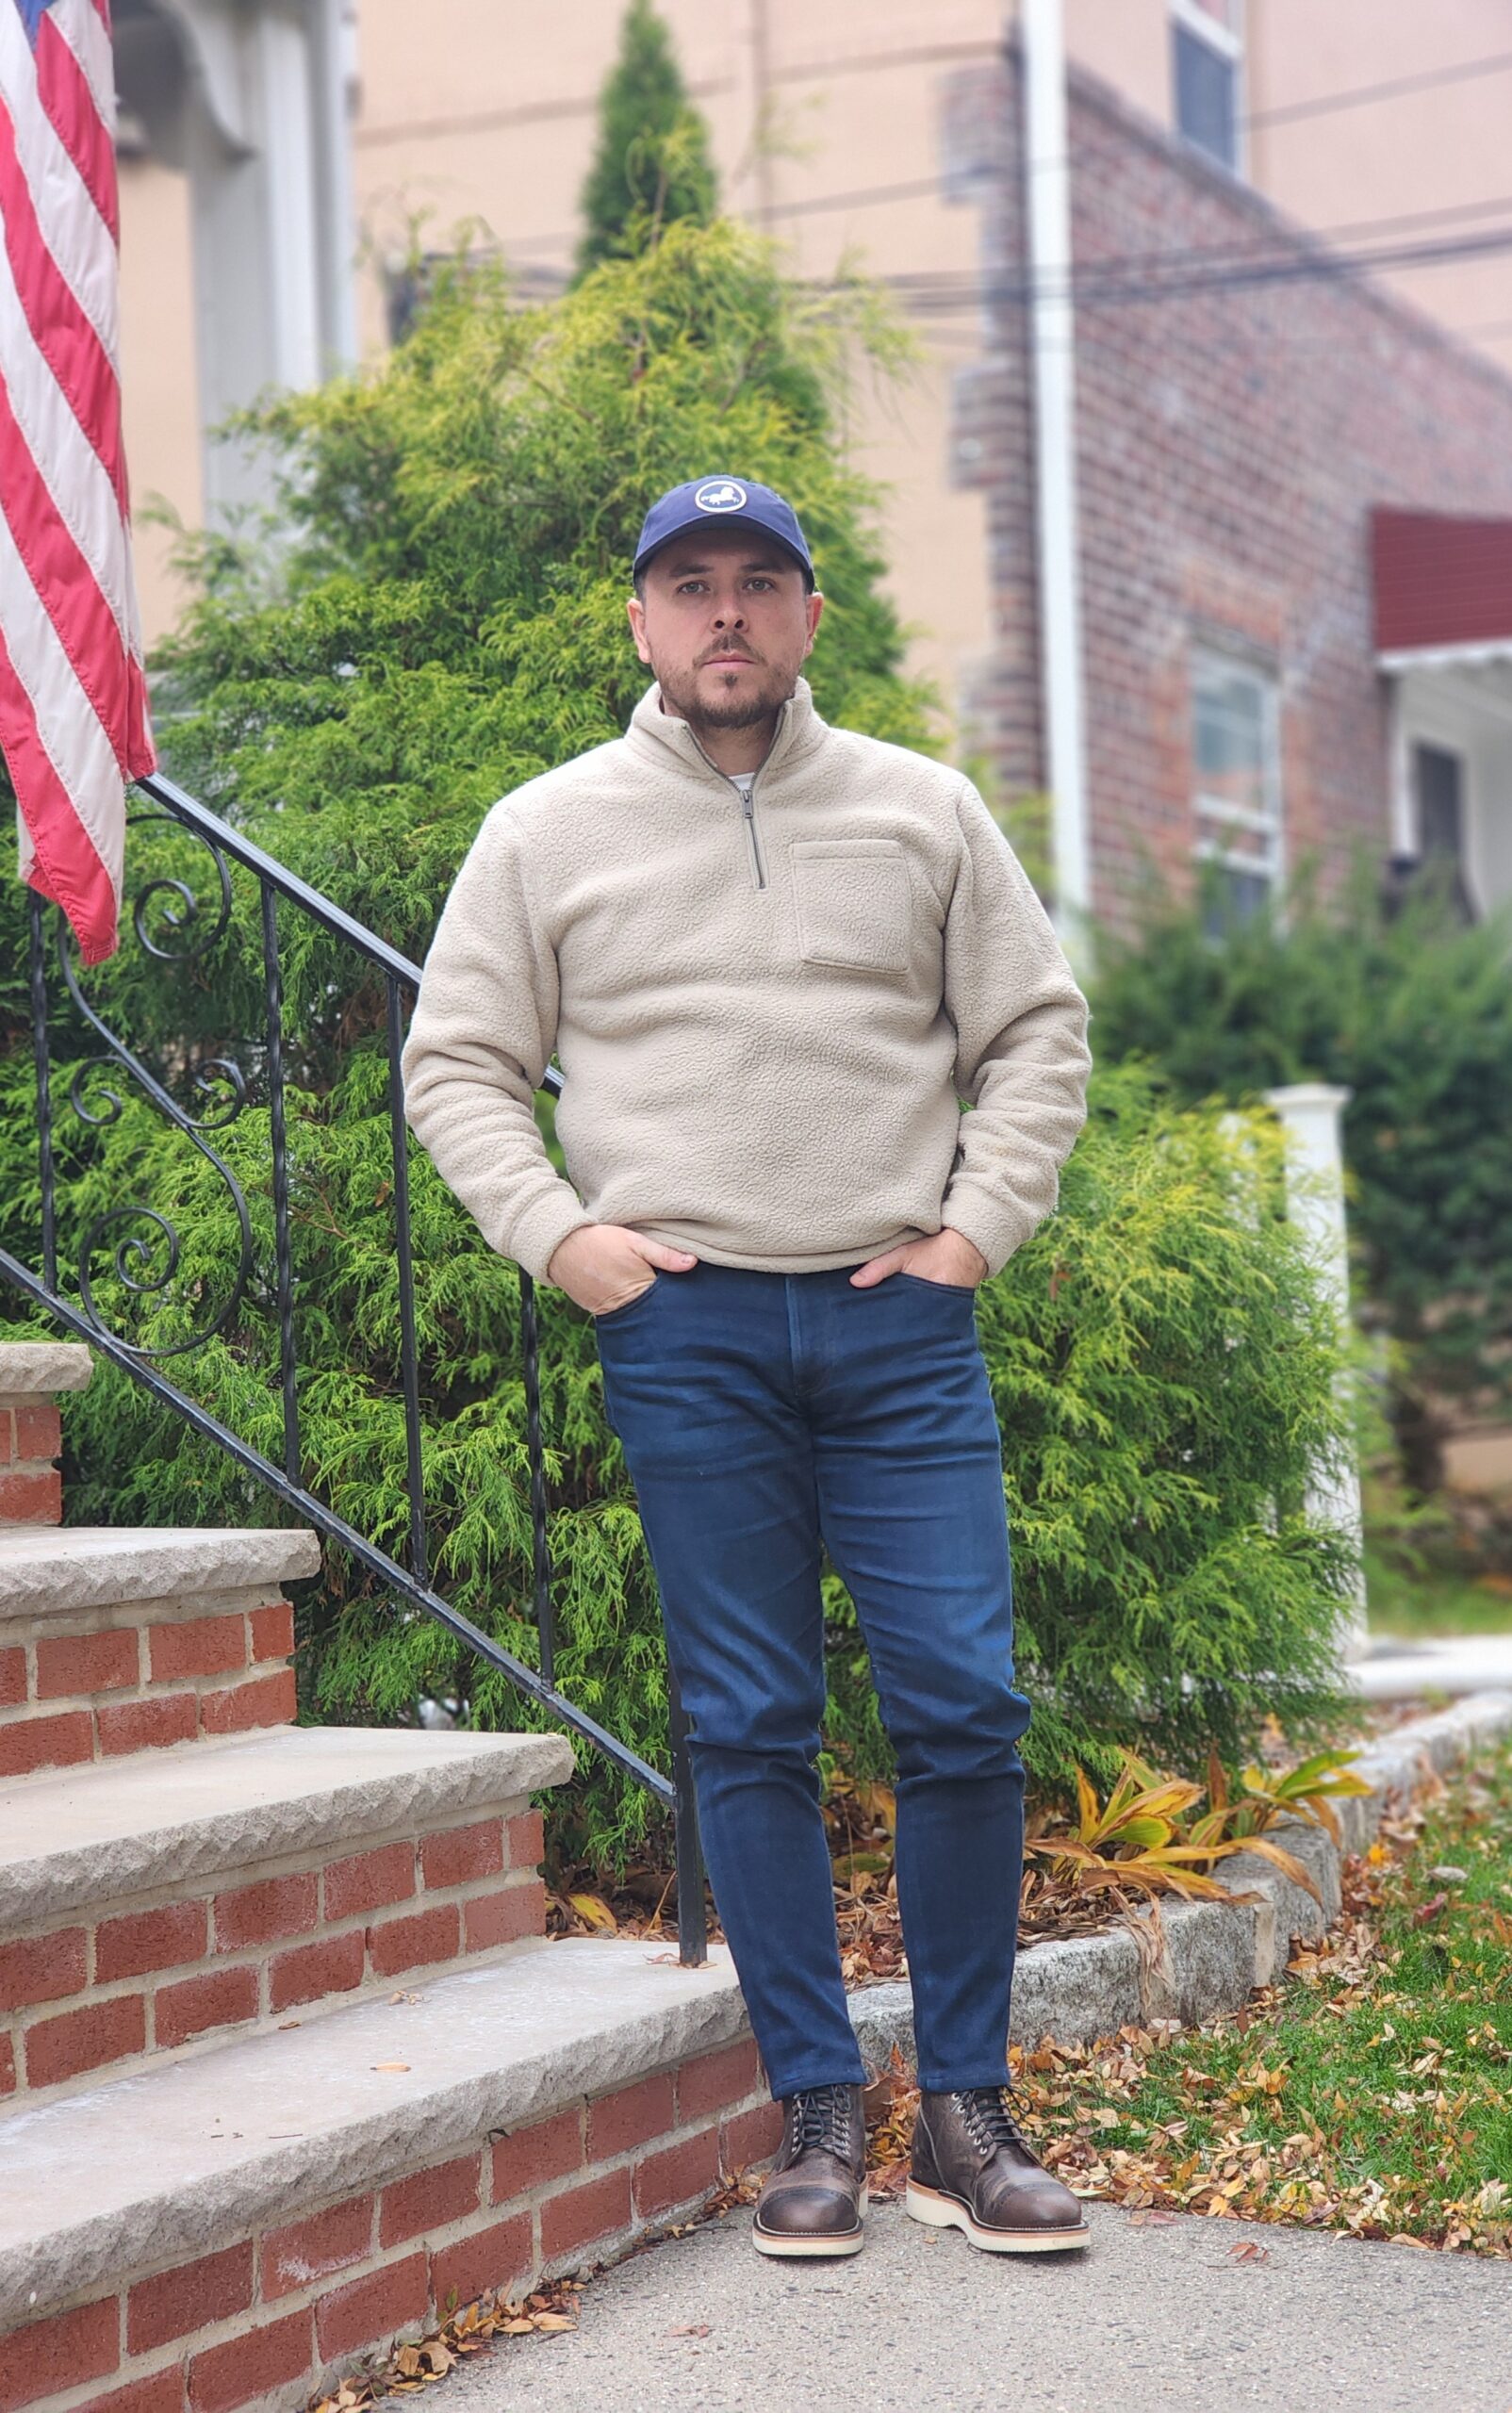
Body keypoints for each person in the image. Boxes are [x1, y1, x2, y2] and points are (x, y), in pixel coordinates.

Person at [402, 475, 1093, 2261]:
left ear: (806, 617)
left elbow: (1034, 1032)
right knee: (748, 1723)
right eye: (688, 586)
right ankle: (815, 2118)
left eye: (759, 585)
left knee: (961, 1704)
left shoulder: (922, 811)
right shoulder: (545, 829)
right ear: (639, 622)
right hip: (687, 1330)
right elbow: (458, 1063)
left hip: (897, 1317)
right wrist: (572, 1245)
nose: (725, 615)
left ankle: (965, 2111)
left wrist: (971, 1235)